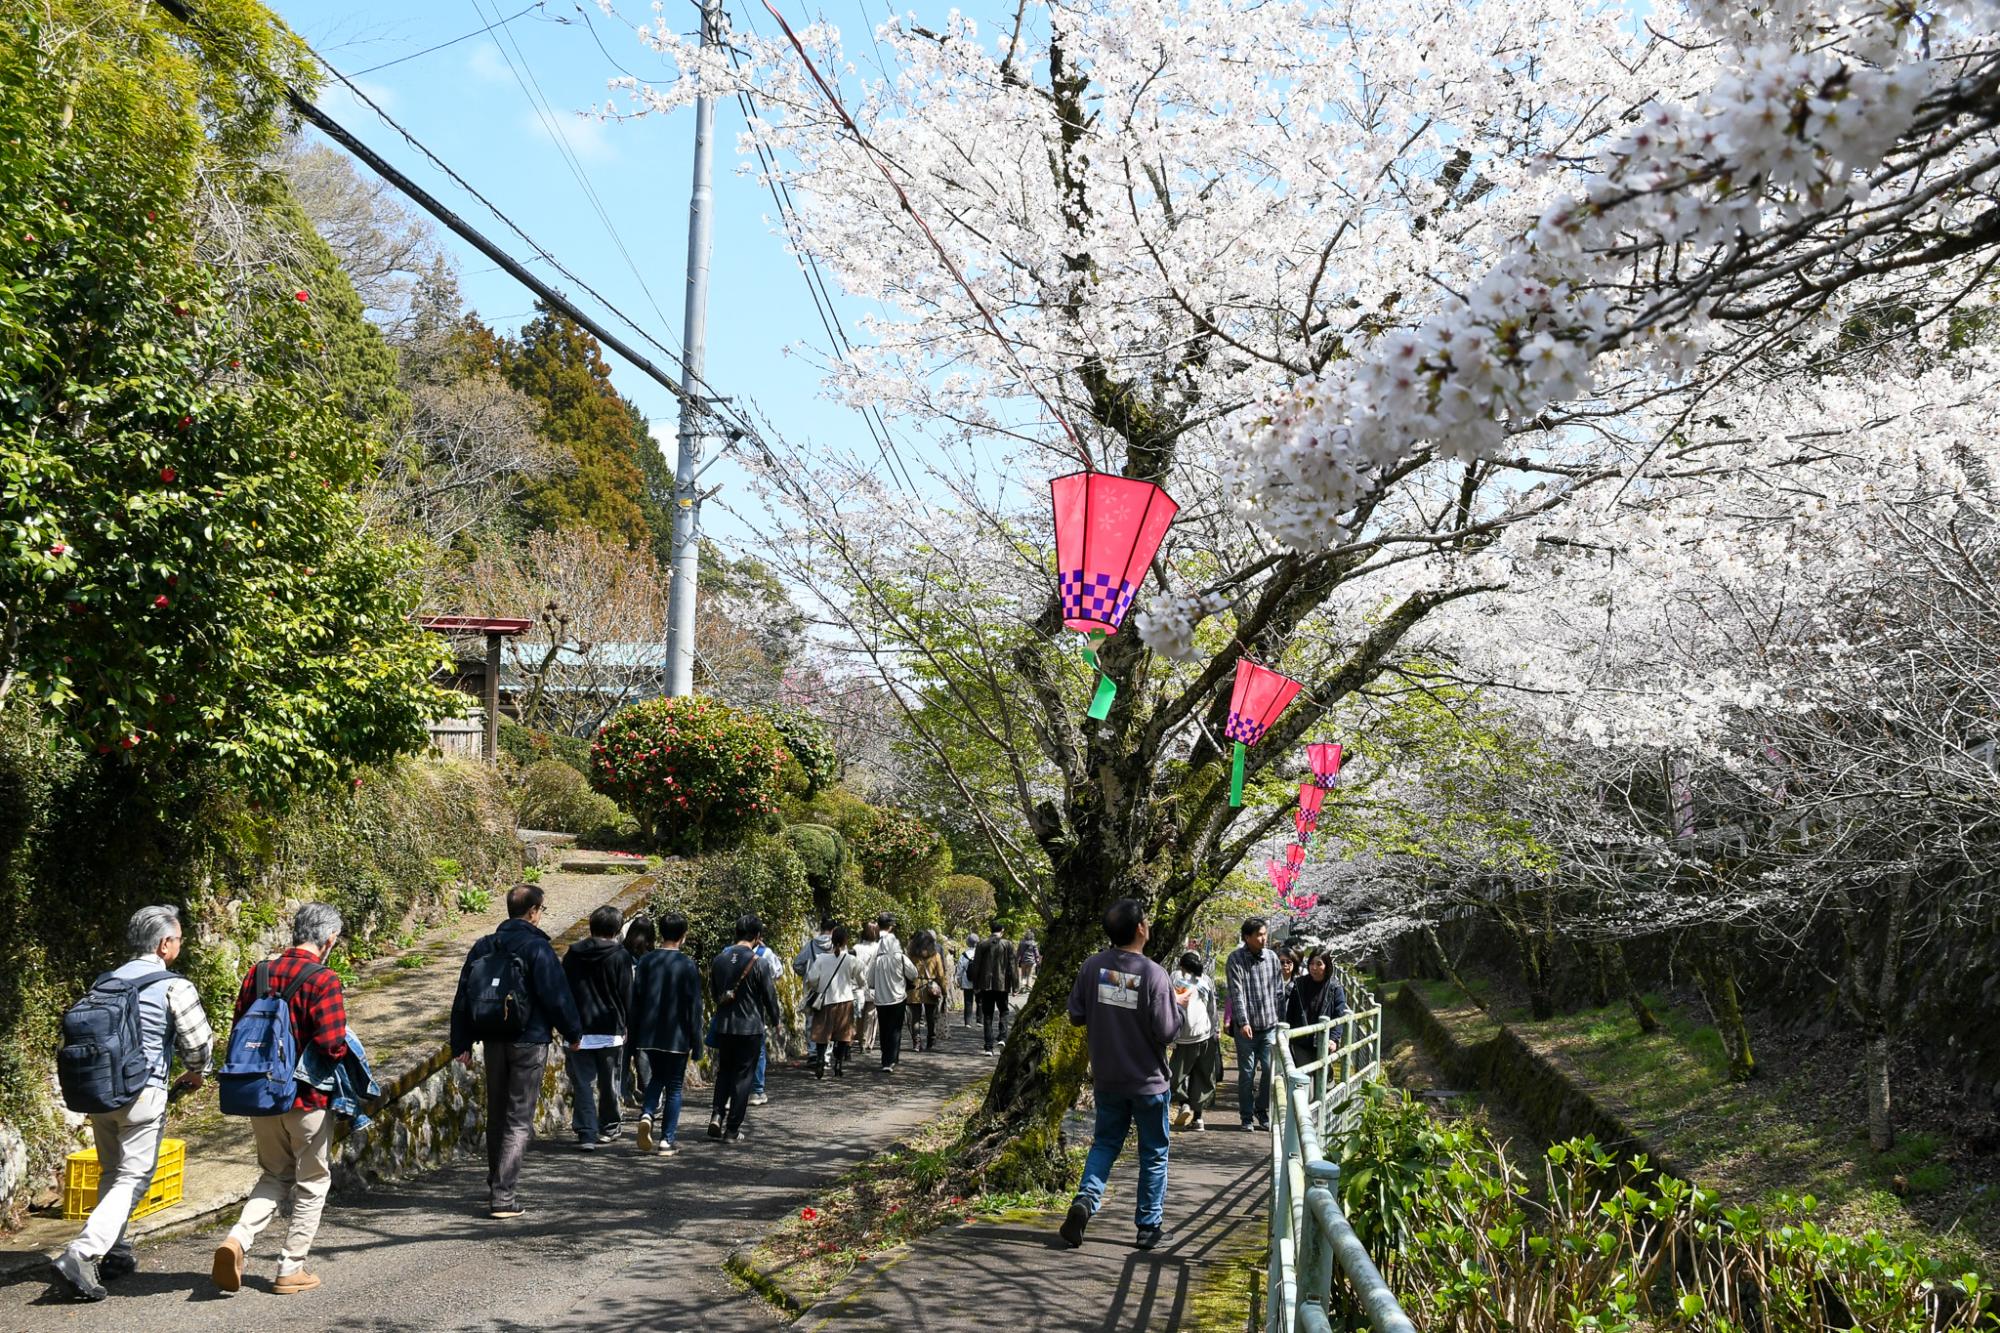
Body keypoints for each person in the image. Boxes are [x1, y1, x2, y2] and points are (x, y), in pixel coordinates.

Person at [51, 906, 213, 1302]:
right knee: (134, 1176)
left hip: (99, 1092)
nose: (179, 945)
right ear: (164, 945)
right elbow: (198, 1044)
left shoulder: (104, 982)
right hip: (143, 1092)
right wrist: (198, 1072)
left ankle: (116, 1251)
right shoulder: (175, 985)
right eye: (177, 939)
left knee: (113, 1171)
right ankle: (83, 1252)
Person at [213, 903, 350, 1296]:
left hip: (260, 1093)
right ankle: (290, 1268)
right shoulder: (323, 978)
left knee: (274, 1174)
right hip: (305, 1099)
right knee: (312, 1181)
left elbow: (240, 1025)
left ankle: (237, 1239)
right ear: (329, 940)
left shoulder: (259, 972)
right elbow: (330, 1043)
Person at [1059, 898, 1188, 1252]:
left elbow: (1076, 1015)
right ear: (1141, 929)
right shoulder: (1153, 974)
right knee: (1154, 1152)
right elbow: (1166, 1032)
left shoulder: (1092, 967)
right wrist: (1178, 1008)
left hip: (1108, 1077)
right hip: (1147, 1081)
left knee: (1105, 1143)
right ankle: (1148, 1227)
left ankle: (1085, 1201)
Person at [449, 884, 582, 1219]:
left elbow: (463, 996)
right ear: (533, 911)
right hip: (529, 1039)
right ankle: (503, 1196)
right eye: (542, 910)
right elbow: (556, 995)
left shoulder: (483, 945)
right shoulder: (537, 948)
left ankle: (496, 1180)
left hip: (492, 1040)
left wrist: (461, 1042)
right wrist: (573, 1032)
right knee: (519, 1118)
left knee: (497, 1113)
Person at [562, 905, 634, 1150]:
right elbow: (627, 994)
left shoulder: (572, 954)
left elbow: (565, 993)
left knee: (583, 1083)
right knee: (609, 1082)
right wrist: (627, 1024)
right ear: (616, 929)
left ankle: (586, 1132)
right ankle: (609, 1127)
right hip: (610, 1028)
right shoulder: (620, 956)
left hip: (578, 1029)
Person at [630, 912, 703, 1157]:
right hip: (677, 1036)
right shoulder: (687, 964)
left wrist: (634, 1036)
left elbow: (636, 1000)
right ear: (683, 935)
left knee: (656, 1078)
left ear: (661, 932)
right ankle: (666, 1140)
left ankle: (648, 1113)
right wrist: (697, 1042)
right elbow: (694, 1006)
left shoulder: (646, 961)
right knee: (673, 1087)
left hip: (648, 1034)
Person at [708, 915, 782, 1143]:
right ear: (758, 937)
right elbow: (770, 997)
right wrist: (776, 1021)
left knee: (724, 1072)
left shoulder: (719, 959)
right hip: (750, 1028)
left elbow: (714, 994)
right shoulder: (759, 962)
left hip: (724, 1026)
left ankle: (717, 1115)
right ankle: (732, 1130)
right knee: (743, 1078)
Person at [1226, 918, 1284, 1132]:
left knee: (1269, 1071)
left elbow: (1279, 991)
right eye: (1259, 935)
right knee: (1247, 1074)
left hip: (1269, 1024)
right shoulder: (1235, 959)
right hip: (1246, 1029)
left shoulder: (1272, 958)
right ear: (1246, 937)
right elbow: (1236, 992)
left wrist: (1282, 1022)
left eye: (1264, 934)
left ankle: (1262, 1110)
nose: (1263, 938)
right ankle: (1247, 1116)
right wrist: (1242, 1022)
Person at [804, 924, 865, 1078]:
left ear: (832, 940)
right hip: (845, 1002)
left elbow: (811, 978)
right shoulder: (851, 960)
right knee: (843, 1036)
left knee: (822, 1034)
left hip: (825, 1002)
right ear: (846, 941)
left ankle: (819, 1061)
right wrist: (857, 983)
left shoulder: (821, 959)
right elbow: (862, 980)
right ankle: (838, 1064)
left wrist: (819, 986)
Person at [1168, 951, 1219, 1132]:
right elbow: (1212, 1008)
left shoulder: (1175, 977)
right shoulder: (1205, 980)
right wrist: (1216, 1030)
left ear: (1182, 964)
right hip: (1204, 1034)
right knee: (1202, 1076)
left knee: (1176, 1076)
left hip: (1184, 1036)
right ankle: (1198, 1117)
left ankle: (1185, 1106)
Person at [868, 914, 917, 1072]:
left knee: (884, 1028)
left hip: (881, 999)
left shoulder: (877, 958)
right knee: (895, 1028)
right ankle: (892, 1060)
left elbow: (870, 980)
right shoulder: (900, 957)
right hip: (898, 997)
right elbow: (913, 974)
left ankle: (885, 1060)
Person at [1284, 953, 1350, 1069]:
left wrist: (1333, 1039)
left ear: (1327, 966)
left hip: (1324, 1041)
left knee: (1323, 1078)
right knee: (1304, 1077)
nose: (1314, 967)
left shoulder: (1334, 987)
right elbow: (1291, 1013)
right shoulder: (1299, 985)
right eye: (1311, 964)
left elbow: (1339, 1015)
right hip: (1301, 1041)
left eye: (1319, 964)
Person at [621, 915, 655, 1111]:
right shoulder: (650, 958)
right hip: (644, 1017)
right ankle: (651, 1102)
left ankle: (622, 1096)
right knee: (644, 1060)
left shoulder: (621, 954)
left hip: (624, 1017)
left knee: (623, 1060)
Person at [793, 917, 837, 1066]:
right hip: (831, 989)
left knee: (811, 1021)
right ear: (834, 930)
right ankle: (825, 1056)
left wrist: (805, 974)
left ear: (821, 927)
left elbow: (797, 964)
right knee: (829, 1022)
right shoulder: (837, 946)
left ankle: (812, 1054)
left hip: (813, 989)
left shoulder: (811, 945)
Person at [749, 930, 785, 1106]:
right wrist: (776, 1019)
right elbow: (777, 973)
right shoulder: (765, 954)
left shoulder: (726, 953)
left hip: (731, 1013)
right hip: (756, 1008)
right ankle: (756, 1091)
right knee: (758, 1051)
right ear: (757, 936)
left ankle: (730, 1094)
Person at [971, 922, 1018, 1055]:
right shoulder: (1007, 944)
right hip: (1002, 985)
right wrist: (1015, 986)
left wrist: (975, 985)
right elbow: (1013, 966)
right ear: (1002, 930)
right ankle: (1003, 1037)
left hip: (986, 985)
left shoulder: (982, 944)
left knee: (987, 1014)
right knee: (1003, 1011)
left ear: (990, 930)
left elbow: (976, 966)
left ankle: (988, 1047)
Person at [908, 930, 950, 1052]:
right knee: (930, 1016)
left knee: (915, 1017)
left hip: (914, 988)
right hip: (931, 988)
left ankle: (916, 1043)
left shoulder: (911, 956)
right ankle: (931, 1040)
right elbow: (941, 975)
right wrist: (944, 990)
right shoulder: (935, 955)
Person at [852, 920, 882, 1053]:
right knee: (870, 1015)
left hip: (857, 986)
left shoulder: (856, 948)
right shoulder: (879, 949)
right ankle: (865, 1042)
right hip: (873, 986)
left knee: (858, 1013)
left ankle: (857, 1038)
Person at [956, 934, 978, 1027]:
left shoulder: (964, 955)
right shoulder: (980, 954)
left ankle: (968, 1022)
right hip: (978, 980)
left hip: (966, 980)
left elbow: (960, 969)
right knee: (979, 1000)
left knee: (968, 1001)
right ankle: (979, 1020)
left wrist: (959, 981)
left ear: (967, 943)